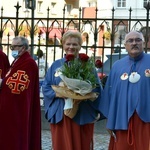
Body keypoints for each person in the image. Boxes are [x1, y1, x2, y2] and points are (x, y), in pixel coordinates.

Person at [42, 31, 102, 150]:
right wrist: (60, 93)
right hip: (60, 113)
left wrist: (81, 94)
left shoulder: (88, 66)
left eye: (75, 44)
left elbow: (96, 87)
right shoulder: (55, 65)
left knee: (82, 145)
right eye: (68, 44)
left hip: (83, 112)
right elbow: (46, 86)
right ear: (63, 45)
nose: (71, 47)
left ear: (80, 46)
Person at [99, 31, 150, 150]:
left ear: (144, 43)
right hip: (122, 118)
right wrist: (109, 119)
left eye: (138, 40)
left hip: (146, 119)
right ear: (125, 45)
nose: (134, 43)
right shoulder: (117, 66)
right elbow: (109, 95)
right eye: (130, 41)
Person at [0, 36, 41, 150]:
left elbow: (19, 87)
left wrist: (2, 83)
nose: (12, 49)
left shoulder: (29, 63)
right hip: (11, 110)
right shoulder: (17, 61)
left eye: (14, 46)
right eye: (11, 46)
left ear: (23, 48)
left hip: (18, 110)